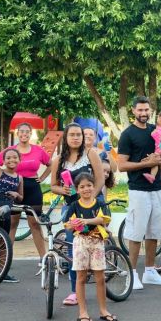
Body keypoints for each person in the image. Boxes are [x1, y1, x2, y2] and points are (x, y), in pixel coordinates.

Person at [117, 97, 161, 290]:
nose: (143, 113)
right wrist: (144, 164)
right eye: (140, 110)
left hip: (157, 188)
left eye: (146, 110)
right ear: (133, 111)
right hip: (138, 189)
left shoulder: (156, 131)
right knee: (136, 233)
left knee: (154, 231)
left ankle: (150, 271)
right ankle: (132, 274)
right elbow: (121, 165)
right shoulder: (127, 135)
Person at [51, 123, 105, 303]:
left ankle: (100, 285)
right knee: (73, 247)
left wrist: (91, 201)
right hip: (71, 208)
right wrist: (62, 190)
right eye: (72, 135)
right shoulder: (58, 160)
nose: (76, 138)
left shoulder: (91, 154)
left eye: (79, 135)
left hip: (93, 205)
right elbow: (53, 186)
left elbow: (100, 179)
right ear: (65, 138)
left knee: (96, 241)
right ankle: (75, 290)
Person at [63, 172, 116, 321]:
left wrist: (84, 220)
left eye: (89, 185)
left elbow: (102, 219)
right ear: (77, 189)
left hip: (97, 242)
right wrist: (72, 225)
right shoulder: (74, 205)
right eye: (82, 186)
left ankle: (103, 310)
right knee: (81, 278)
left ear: (94, 187)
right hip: (80, 242)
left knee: (100, 277)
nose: (86, 189)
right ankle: (82, 312)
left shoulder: (99, 204)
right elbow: (67, 224)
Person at [3, 123, 51, 264]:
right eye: (21, 131)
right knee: (12, 224)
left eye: (27, 132)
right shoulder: (10, 150)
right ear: (17, 133)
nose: (24, 134)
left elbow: (51, 164)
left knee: (35, 224)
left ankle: (44, 259)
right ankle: (5, 262)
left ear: (31, 134)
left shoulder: (38, 150)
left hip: (33, 189)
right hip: (14, 189)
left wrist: (42, 178)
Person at [0, 148, 24, 283]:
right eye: (8, 158)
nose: (11, 160)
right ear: (3, 160)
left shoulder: (19, 178)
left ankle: (2, 272)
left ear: (19, 160)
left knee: (2, 242)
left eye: (14, 157)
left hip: (6, 211)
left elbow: (21, 198)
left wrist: (17, 195)